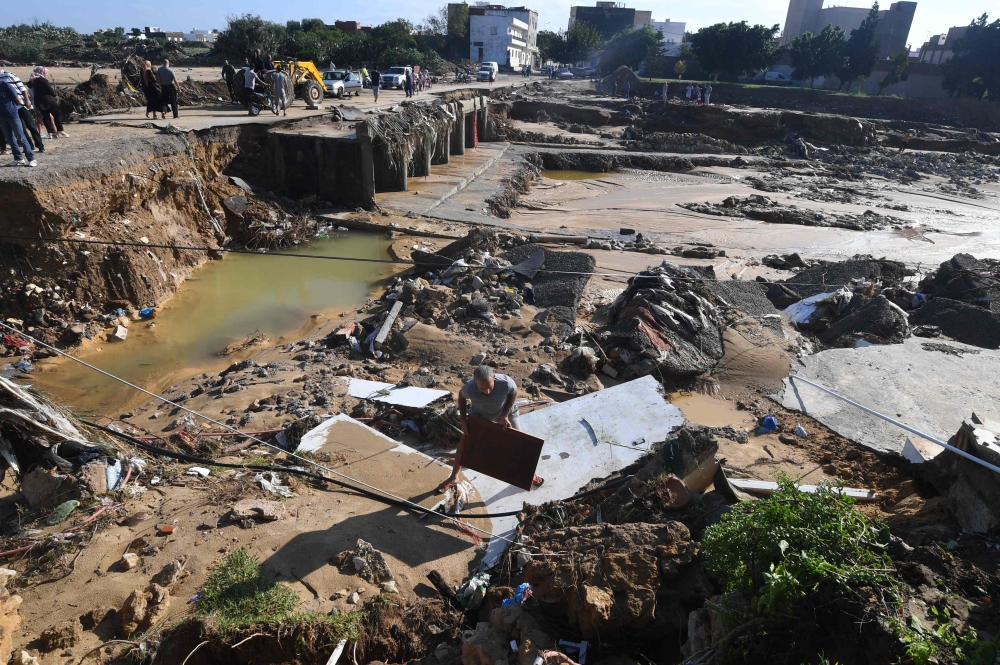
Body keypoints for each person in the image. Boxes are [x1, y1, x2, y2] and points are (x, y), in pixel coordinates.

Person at [437, 366, 543, 492]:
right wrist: (464, 421)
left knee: (519, 444)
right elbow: (461, 397)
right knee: (464, 443)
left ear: (494, 378)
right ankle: (453, 477)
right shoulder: (469, 388)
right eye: (482, 388)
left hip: (505, 414)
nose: (487, 392)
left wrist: (505, 415)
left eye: (490, 387)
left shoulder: (505, 383)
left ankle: (529, 475)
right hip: (480, 416)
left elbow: (513, 393)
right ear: (475, 382)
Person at [0, 69, 43, 153]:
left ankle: (40, 146)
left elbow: (23, 89)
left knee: (31, 125)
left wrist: (27, 101)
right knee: (21, 128)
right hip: (10, 107)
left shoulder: (9, 75)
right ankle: (30, 146)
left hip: (21, 104)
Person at [25, 67, 66, 139]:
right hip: (48, 100)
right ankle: (60, 131)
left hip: (38, 101)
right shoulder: (43, 80)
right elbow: (50, 89)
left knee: (45, 116)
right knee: (57, 114)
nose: (46, 74)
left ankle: (50, 133)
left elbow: (29, 86)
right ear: (42, 72)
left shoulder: (33, 80)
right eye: (45, 72)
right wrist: (55, 95)